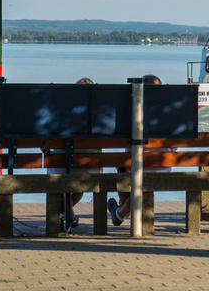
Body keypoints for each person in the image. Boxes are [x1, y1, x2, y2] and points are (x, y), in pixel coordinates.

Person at [108, 74, 162, 226]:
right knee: (130, 170)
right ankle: (119, 213)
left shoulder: (131, 115)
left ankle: (120, 213)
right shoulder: (168, 114)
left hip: (139, 169)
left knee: (123, 167)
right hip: (163, 169)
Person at [62, 77, 97, 230]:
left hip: (62, 166)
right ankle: (67, 214)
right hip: (91, 167)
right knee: (77, 186)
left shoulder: (63, 114)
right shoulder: (97, 116)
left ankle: (67, 215)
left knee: (63, 186)